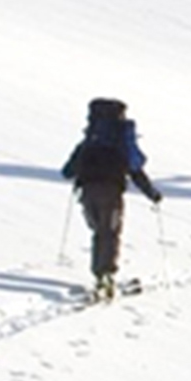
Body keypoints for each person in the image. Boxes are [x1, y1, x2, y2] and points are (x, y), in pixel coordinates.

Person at [61, 97, 160, 300]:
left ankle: (100, 275)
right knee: (110, 233)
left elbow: (67, 171)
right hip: (111, 192)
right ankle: (106, 276)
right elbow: (136, 171)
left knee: (99, 232)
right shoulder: (122, 142)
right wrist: (152, 194)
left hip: (88, 193)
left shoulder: (88, 142)